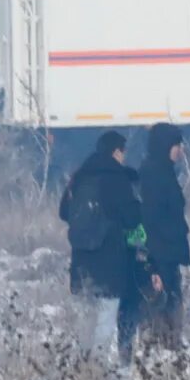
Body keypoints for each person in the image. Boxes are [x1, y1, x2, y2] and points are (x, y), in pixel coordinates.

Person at [60, 131, 155, 363]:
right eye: (123, 152)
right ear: (116, 151)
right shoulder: (117, 178)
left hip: (81, 258)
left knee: (86, 315)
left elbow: (64, 212)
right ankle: (97, 367)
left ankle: (81, 364)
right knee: (105, 315)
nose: (124, 157)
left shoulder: (79, 177)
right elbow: (133, 218)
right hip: (110, 258)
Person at [137, 124, 190, 348]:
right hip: (160, 253)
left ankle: (168, 345)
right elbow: (152, 218)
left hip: (168, 252)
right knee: (161, 303)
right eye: (176, 145)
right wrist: (153, 263)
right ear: (165, 146)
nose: (180, 150)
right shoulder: (154, 176)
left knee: (170, 302)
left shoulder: (163, 171)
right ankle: (163, 348)